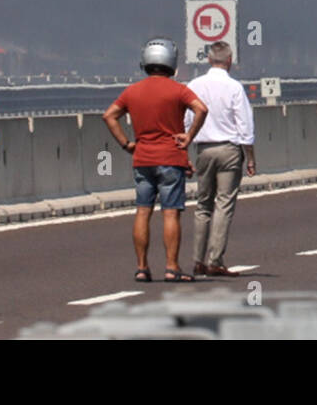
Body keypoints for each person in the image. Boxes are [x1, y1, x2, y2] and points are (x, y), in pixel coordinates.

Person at [102, 37, 210, 283]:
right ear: (171, 62)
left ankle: (142, 267)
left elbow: (109, 115)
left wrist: (126, 144)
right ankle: (171, 267)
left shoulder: (133, 91)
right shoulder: (179, 90)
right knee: (170, 213)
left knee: (143, 212)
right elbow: (201, 109)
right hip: (171, 160)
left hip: (142, 160)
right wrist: (189, 136)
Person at [186, 40, 256, 277]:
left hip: (203, 149)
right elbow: (244, 125)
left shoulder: (195, 85)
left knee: (202, 205)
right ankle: (215, 260)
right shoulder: (234, 87)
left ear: (208, 59)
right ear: (229, 61)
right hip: (229, 150)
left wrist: (186, 149)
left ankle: (197, 260)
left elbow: (187, 120)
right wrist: (251, 157)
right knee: (223, 204)